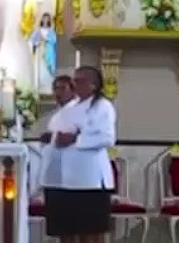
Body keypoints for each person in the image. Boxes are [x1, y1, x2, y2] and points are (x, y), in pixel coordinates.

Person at [40, 66, 117, 243]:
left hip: (89, 181)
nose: (75, 84)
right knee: (66, 231)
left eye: (80, 81)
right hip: (62, 180)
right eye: (75, 80)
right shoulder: (70, 107)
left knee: (89, 232)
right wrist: (53, 138)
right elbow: (57, 132)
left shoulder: (102, 106)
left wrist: (76, 139)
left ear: (93, 85)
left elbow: (107, 137)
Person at [37, 75, 80, 242]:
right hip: (56, 175)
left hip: (72, 175)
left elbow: (73, 137)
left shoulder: (78, 111)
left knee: (73, 225)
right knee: (61, 227)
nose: (58, 92)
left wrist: (52, 137)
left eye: (62, 88)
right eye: (55, 88)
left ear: (73, 90)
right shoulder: (58, 114)